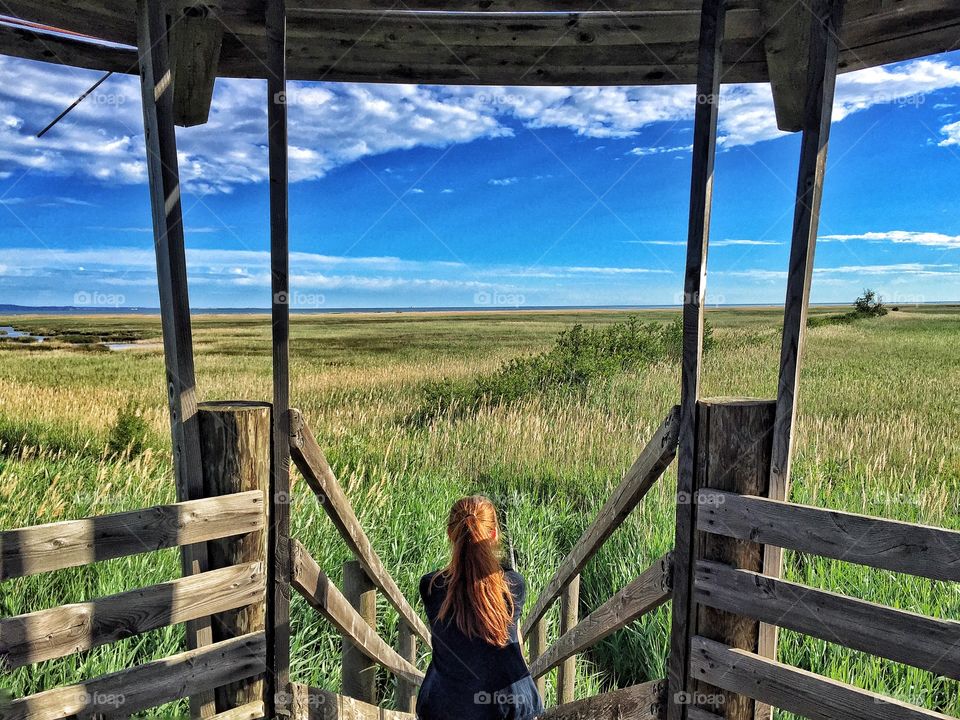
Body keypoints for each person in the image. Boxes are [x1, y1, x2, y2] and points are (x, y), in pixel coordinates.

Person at [417, 496, 544, 720]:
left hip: (447, 708)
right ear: (494, 535)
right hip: (508, 706)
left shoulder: (431, 586)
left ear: (450, 534)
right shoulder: (514, 584)